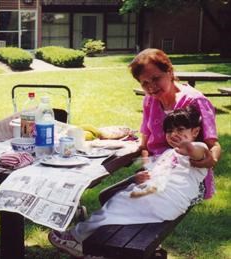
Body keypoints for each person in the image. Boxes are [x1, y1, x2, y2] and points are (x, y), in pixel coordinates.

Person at [49, 107, 210, 257]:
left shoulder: (199, 147)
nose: (174, 134)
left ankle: (77, 237)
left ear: (195, 131)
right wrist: (142, 172)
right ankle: (91, 240)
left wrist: (187, 145)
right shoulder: (170, 153)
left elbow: (198, 153)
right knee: (114, 198)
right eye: (170, 131)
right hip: (160, 197)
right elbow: (155, 171)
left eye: (180, 129)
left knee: (118, 203)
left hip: (168, 200)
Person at [130, 48, 220, 199]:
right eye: (144, 83)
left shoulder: (195, 101)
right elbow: (145, 145)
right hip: (157, 171)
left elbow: (212, 146)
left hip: (186, 174)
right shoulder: (149, 100)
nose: (151, 87)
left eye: (156, 78)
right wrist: (146, 167)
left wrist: (212, 159)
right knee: (118, 198)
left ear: (170, 72)